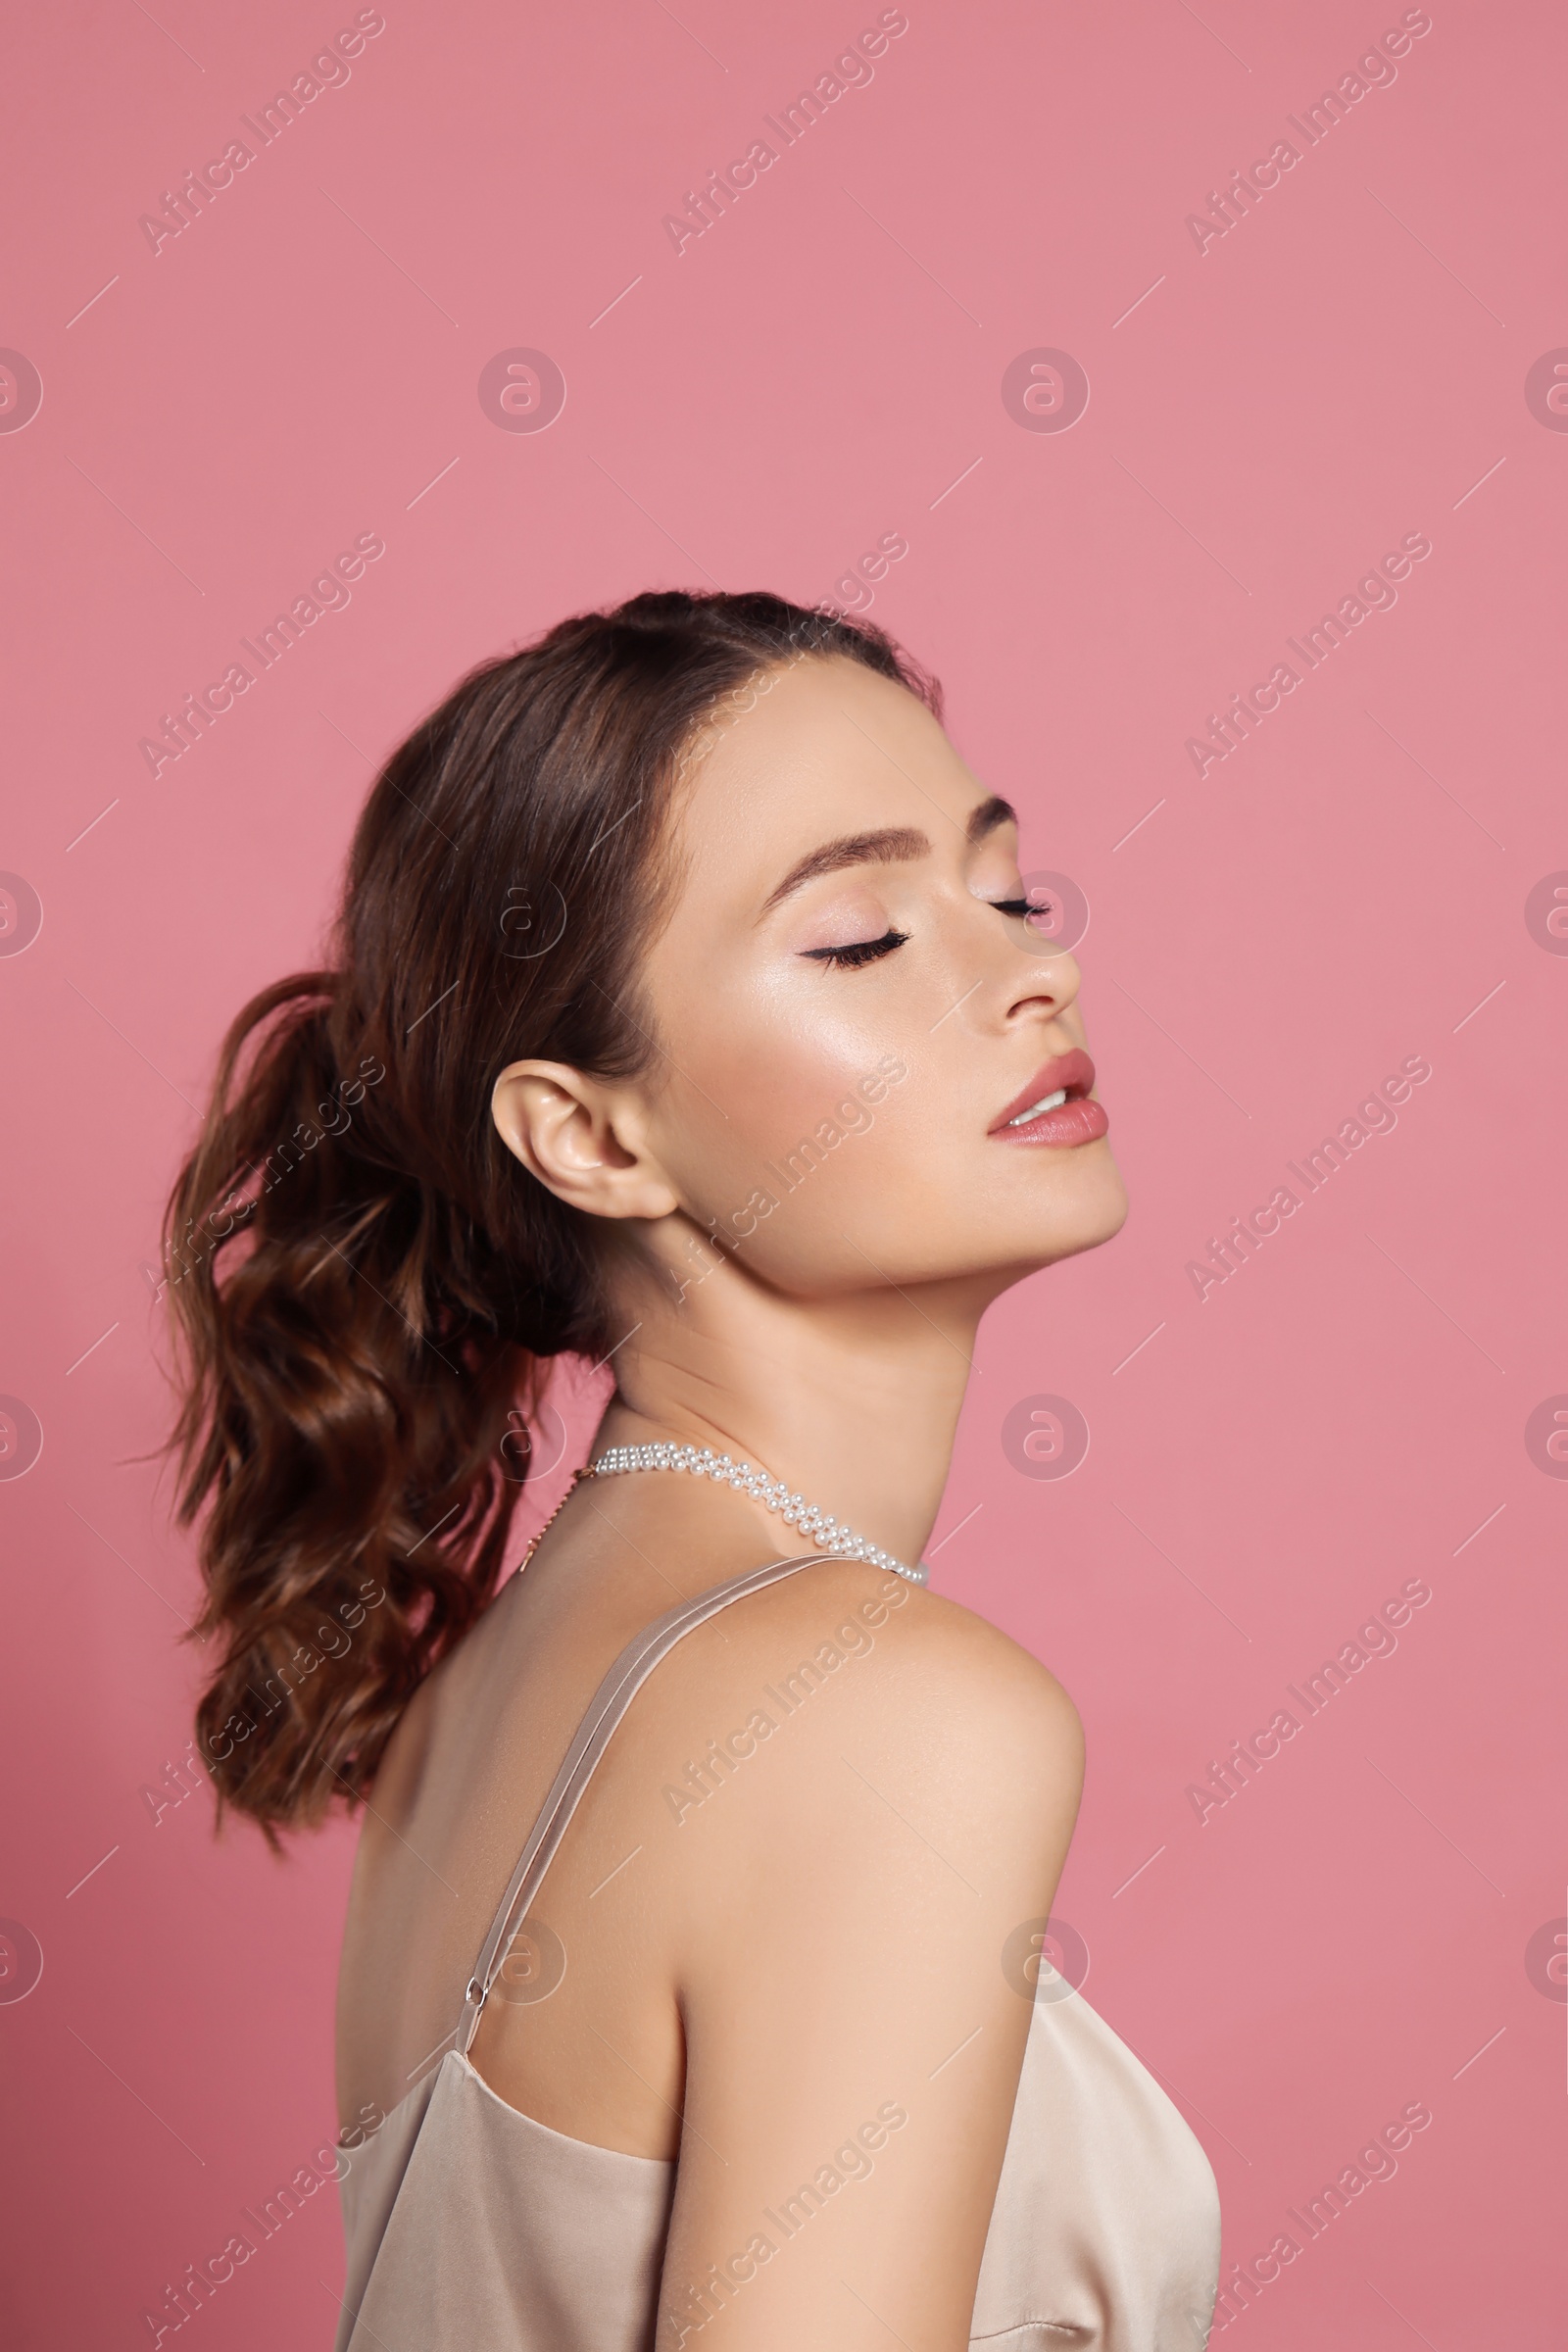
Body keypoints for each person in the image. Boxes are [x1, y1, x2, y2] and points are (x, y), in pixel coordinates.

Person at [163, 590, 1220, 2350]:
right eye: (866, 936)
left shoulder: (485, 1702)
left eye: (1008, 891)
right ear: (591, 1132)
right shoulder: (885, 1712)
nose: (1037, 965)